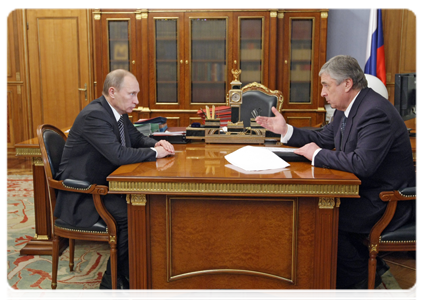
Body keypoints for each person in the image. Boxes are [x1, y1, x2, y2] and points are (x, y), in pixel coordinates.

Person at [256, 55, 418, 300]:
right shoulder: (347, 109)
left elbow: (363, 163)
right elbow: (324, 138)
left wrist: (317, 155)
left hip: (386, 201)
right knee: (312, 211)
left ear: (347, 84)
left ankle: (357, 279)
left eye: (326, 85)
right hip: (361, 192)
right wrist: (285, 130)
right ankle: (350, 270)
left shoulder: (375, 112)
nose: (322, 93)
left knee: (318, 217)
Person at [54, 69, 175, 299]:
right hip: (83, 192)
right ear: (112, 92)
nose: (137, 101)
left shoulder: (118, 113)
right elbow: (118, 154)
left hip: (105, 184)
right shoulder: (95, 115)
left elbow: (137, 139)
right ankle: (114, 282)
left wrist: (160, 144)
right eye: (132, 94)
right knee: (132, 217)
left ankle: (140, 272)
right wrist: (155, 153)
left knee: (145, 208)